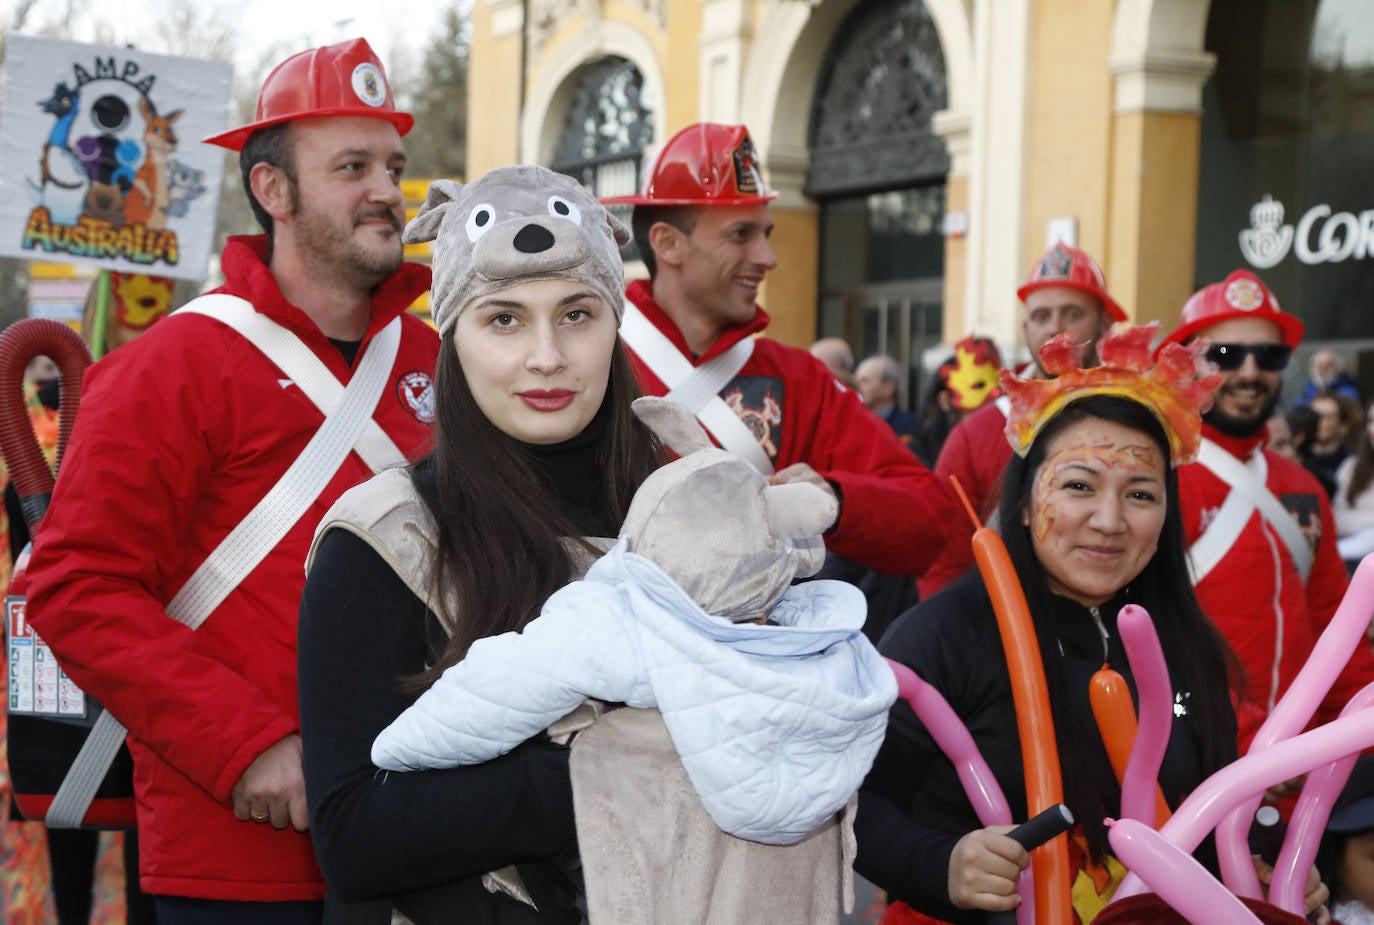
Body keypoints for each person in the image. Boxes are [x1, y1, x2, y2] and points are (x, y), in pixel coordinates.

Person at [22, 38, 439, 922]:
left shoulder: (446, 361)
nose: (384, 191)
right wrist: (247, 747)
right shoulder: (166, 365)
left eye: (392, 165)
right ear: (273, 191)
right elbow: (76, 587)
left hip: (430, 831)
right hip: (244, 850)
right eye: (352, 166)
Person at [296, 165, 659, 922]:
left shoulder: (682, 509)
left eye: (577, 314)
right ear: (452, 336)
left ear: (615, 325)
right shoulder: (385, 536)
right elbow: (353, 833)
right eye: (504, 319)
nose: (547, 356)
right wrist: (614, 769)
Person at [855, 325, 1257, 925]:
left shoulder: (1187, 642)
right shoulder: (941, 635)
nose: (1109, 520)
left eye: (1141, 495)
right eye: (1078, 486)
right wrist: (941, 864)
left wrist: (1256, 878)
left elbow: (1214, 813)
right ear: (1024, 499)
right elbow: (855, 804)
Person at [368, 395, 895, 852]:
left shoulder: (616, 617)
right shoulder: (814, 636)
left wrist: (403, 744)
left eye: (577, 316)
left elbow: (502, 685)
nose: (546, 356)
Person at [602, 122, 955, 583]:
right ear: (668, 243)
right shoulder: (593, 353)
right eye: (741, 234)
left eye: (765, 233)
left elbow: (929, 519)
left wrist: (833, 497)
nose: (768, 257)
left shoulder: (798, 378)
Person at [1160, 268, 1374, 751]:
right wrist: (1247, 737)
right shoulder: (1153, 479)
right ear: (1187, 364)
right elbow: (1144, 642)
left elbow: (1339, 635)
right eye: (1225, 355)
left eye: (1269, 355)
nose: (1250, 372)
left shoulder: (1303, 487)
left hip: (1303, 770)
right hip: (1199, 765)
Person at [918, 243, 1126, 599]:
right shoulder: (978, 431)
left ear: (1105, 325)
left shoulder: (1137, 423)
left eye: (1073, 314)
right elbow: (943, 559)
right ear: (1025, 326)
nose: (1055, 329)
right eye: (1041, 316)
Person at [1334, 400, 1374, 564]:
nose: (1372, 430)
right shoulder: (1351, 468)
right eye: (1371, 421)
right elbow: (1338, 518)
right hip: (1353, 562)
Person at [856, 354, 920, 447]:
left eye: (865, 381)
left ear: (889, 386)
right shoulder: (854, 424)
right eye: (857, 381)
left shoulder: (909, 426)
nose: (858, 387)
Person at [1307, 392, 1361, 498]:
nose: (1317, 421)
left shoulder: (1352, 465)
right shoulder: (1296, 459)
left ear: (1344, 426)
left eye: (1326, 416)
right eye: (1312, 415)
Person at [1297, 349, 1361, 407]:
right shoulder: (1306, 393)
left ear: (1338, 369)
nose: (1323, 370)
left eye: (1329, 366)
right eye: (1319, 366)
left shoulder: (1349, 393)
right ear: (1312, 370)